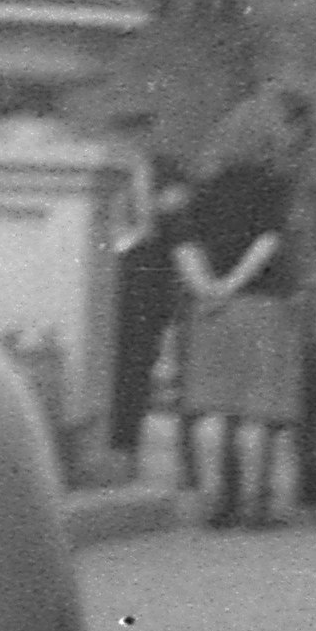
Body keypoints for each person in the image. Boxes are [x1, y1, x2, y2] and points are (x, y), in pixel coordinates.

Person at [173, 91, 308, 526]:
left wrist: (207, 288)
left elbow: (185, 244)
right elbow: (268, 241)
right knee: (255, 412)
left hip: (208, 307)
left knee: (211, 406)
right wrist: (235, 284)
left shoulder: (202, 189)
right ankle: (253, 503)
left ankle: (213, 499)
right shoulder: (276, 187)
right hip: (261, 304)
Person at [105, 114, 193, 474]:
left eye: (140, 132)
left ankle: (127, 448)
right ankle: (104, 444)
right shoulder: (103, 170)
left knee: (137, 366)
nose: (134, 140)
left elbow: (183, 217)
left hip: (148, 279)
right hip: (108, 276)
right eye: (126, 131)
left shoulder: (168, 171)